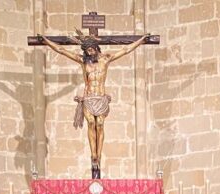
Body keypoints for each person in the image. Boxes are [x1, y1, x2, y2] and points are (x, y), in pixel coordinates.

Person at [39, 33, 150, 178]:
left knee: (100, 125)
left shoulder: (106, 59)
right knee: (91, 123)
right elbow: (61, 50)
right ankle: (94, 155)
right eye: (86, 51)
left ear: (95, 47)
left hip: (101, 98)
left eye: (90, 49)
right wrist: (46, 41)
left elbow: (126, 49)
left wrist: (141, 40)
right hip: (89, 98)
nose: (88, 53)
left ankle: (99, 154)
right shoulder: (83, 62)